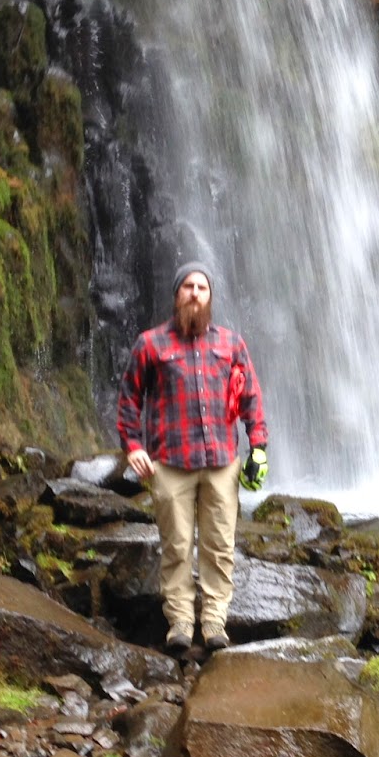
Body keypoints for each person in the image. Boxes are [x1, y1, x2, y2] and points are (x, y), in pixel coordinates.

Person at [117, 260, 268, 653]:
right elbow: (129, 400)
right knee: (176, 546)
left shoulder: (230, 344)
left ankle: (215, 623)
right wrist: (133, 446)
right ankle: (180, 623)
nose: (195, 294)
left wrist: (259, 447)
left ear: (211, 297)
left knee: (219, 546)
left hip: (221, 462)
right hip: (170, 464)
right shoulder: (151, 344)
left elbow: (251, 397)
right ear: (176, 295)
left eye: (202, 287)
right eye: (188, 287)